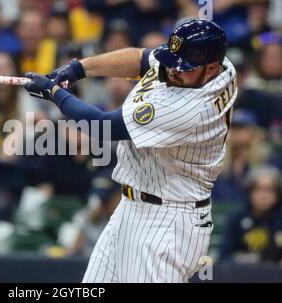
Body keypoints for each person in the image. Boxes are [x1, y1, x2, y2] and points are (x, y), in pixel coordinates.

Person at [24, 18, 236, 282]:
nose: (173, 70)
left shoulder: (189, 109)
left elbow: (103, 127)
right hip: (133, 207)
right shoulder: (221, 66)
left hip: (167, 221)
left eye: (183, 67)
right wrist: (78, 68)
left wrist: (54, 93)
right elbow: (141, 58)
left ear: (212, 68)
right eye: (174, 61)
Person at [219, 165, 282, 264]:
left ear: (278, 194)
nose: (264, 195)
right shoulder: (237, 218)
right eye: (258, 189)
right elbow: (224, 256)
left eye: (269, 189)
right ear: (249, 192)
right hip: (242, 275)